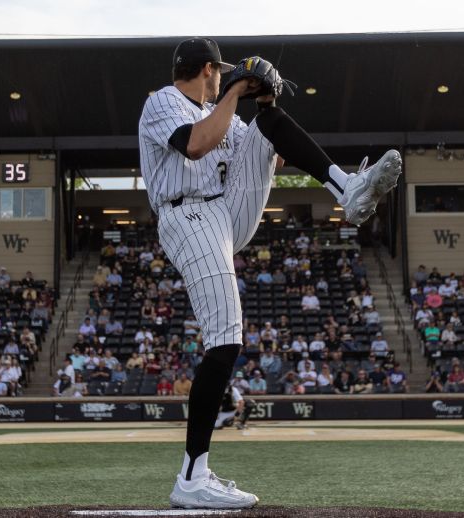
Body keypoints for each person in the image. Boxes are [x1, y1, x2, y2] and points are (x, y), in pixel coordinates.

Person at [140, 38, 401, 510]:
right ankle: (192, 476)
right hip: (187, 216)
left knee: (269, 125)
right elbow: (196, 144)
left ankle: (348, 188)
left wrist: (264, 101)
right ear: (207, 70)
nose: (222, 78)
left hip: (226, 212)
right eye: (220, 72)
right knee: (224, 338)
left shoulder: (226, 111)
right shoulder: (163, 101)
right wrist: (235, 91)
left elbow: (274, 155)